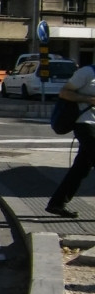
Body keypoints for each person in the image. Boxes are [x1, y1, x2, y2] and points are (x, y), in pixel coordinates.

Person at [47, 62, 95, 218]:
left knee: (81, 168)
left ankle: (57, 203)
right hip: (85, 124)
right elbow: (64, 92)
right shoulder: (87, 72)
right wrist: (88, 99)